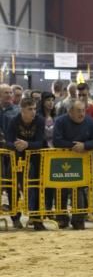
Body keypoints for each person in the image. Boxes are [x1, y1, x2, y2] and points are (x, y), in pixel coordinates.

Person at [53, 99, 93, 230]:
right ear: (70, 112)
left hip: (82, 162)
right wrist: (74, 146)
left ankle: (78, 220)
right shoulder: (60, 121)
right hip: (62, 161)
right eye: (78, 111)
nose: (82, 113)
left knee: (79, 189)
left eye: (83, 110)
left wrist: (85, 146)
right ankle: (62, 219)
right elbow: (56, 141)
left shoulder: (90, 122)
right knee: (61, 190)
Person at [5, 98, 45, 230]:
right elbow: (8, 142)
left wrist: (27, 144)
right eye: (30, 109)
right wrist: (18, 146)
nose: (33, 112)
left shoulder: (39, 121)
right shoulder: (14, 121)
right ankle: (15, 217)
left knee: (35, 188)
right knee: (13, 187)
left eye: (34, 109)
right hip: (16, 158)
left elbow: (41, 143)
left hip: (34, 159)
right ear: (22, 110)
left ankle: (36, 219)